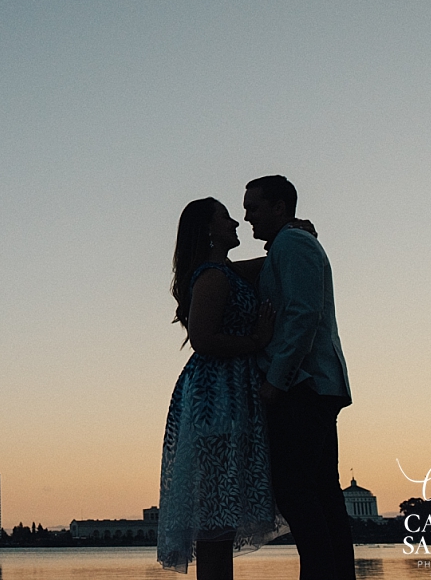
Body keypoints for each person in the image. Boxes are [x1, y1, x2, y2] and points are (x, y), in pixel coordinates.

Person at [158, 197, 286, 578]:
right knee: (214, 515)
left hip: (228, 394)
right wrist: (257, 340)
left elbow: (264, 266)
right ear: (210, 230)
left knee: (220, 515)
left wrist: (290, 234)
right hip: (215, 400)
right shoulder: (213, 276)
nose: (236, 223)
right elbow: (203, 339)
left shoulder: (223, 270)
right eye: (226, 217)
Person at [243, 175, 354, 580]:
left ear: (278, 207)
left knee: (298, 493)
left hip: (303, 386)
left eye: (253, 207)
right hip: (313, 385)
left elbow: (303, 316)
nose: (247, 216)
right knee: (322, 495)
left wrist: (277, 379)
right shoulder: (288, 245)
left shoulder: (293, 245)